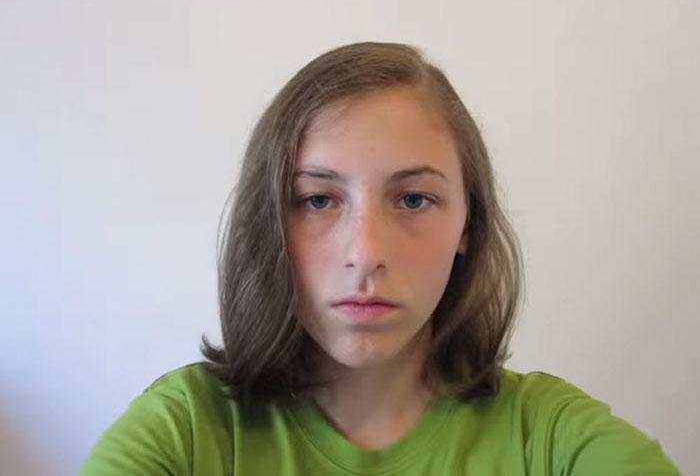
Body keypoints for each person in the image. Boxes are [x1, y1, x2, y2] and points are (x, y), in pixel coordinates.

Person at [80, 42, 681, 475]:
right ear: (269, 223)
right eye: (318, 200)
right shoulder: (185, 432)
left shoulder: (549, 440)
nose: (366, 254)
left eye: (414, 199)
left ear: (467, 225)